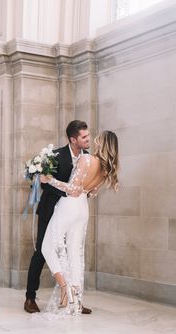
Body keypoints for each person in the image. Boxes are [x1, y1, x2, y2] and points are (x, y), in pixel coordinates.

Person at [41, 131, 119, 316]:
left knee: (46, 246)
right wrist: (86, 188)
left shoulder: (87, 159)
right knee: (75, 253)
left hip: (69, 206)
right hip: (83, 209)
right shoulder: (107, 169)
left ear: (102, 144)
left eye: (97, 140)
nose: (93, 141)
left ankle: (63, 288)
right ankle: (76, 301)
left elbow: (73, 190)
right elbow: (91, 193)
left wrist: (49, 179)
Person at [24, 120, 92, 314]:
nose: (88, 139)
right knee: (42, 252)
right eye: (84, 136)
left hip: (73, 214)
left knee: (73, 253)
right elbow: (43, 183)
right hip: (51, 211)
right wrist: (66, 192)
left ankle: (74, 299)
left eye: (88, 135)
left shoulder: (88, 158)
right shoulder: (55, 156)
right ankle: (30, 297)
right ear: (73, 139)